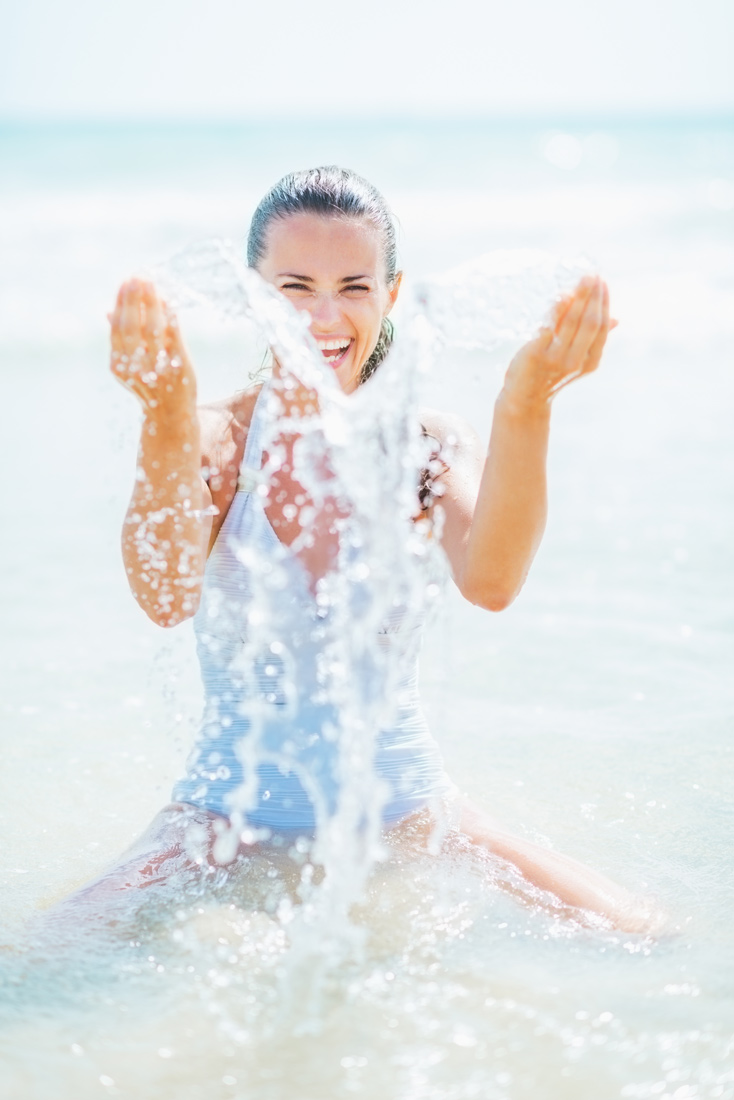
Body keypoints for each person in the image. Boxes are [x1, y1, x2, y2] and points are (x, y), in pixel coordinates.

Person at [65, 166, 657, 934]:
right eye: (295, 287)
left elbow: (494, 580)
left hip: (407, 814)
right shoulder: (213, 436)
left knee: (644, 935)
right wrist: (163, 414)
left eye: (353, 286)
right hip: (218, 828)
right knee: (40, 959)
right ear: (254, 295)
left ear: (392, 294)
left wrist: (529, 400)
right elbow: (163, 595)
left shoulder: (423, 446)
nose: (324, 315)